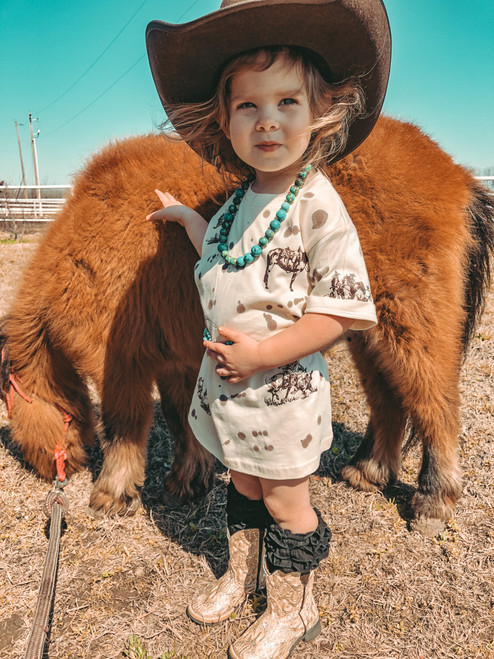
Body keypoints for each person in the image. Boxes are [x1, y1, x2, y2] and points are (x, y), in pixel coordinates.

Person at [145, 2, 390, 657]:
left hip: (281, 397)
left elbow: (340, 307)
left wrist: (264, 352)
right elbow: (220, 257)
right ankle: (241, 573)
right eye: (248, 106)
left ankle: (292, 605)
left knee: (286, 497)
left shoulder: (316, 205)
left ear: (322, 111)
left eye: (287, 100)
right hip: (234, 396)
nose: (269, 119)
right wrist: (183, 217)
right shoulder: (235, 206)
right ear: (223, 122)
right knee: (245, 483)